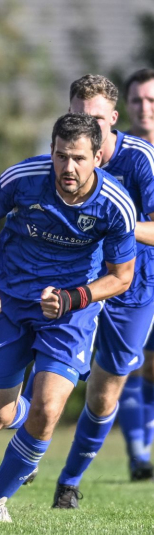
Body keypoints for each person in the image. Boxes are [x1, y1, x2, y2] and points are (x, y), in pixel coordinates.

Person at [0, 112, 136, 522]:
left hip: (69, 313)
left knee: (48, 409)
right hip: (8, 301)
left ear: (97, 156)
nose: (67, 168)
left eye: (77, 158)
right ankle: (28, 431)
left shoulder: (115, 205)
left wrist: (74, 297)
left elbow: (121, 277)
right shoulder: (23, 179)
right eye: (60, 156)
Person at [13, 75, 154, 506]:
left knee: (105, 391)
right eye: (77, 116)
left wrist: (117, 222)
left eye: (94, 119)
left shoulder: (141, 161)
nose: (85, 126)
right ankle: (30, 436)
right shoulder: (62, 157)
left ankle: (69, 482)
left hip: (132, 288)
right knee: (45, 365)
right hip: (77, 280)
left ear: (113, 119)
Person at [116, 69, 154, 480]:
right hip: (133, 277)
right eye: (138, 100)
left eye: (152, 100)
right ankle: (139, 457)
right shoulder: (115, 153)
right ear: (126, 105)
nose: (145, 108)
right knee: (126, 365)